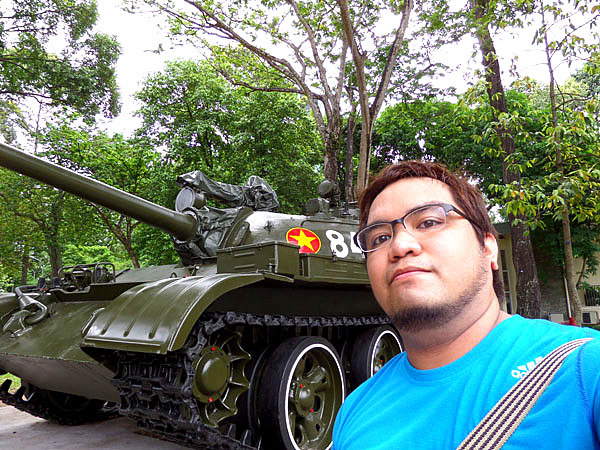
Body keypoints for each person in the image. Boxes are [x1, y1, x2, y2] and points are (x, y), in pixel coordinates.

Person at [333, 161, 600, 449]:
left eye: (429, 222)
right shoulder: (354, 410)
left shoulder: (584, 366)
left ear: (488, 246)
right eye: (381, 237)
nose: (399, 246)